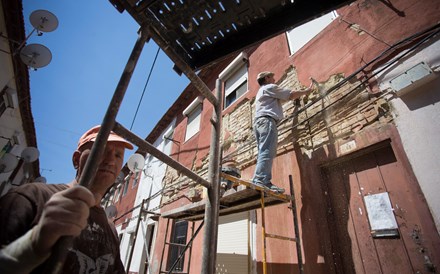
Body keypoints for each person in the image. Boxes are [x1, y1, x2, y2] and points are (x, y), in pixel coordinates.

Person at [0, 125, 133, 274]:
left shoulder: (111, 229)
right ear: (77, 159)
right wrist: (34, 243)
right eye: (102, 150)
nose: (111, 161)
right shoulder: (32, 196)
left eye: (118, 155)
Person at [252, 71, 314, 193]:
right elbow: (290, 95)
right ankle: (261, 180)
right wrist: (307, 91)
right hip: (267, 122)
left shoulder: (262, 92)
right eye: (272, 77)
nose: (274, 79)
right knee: (267, 151)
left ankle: (259, 179)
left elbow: (284, 99)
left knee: (263, 151)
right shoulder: (269, 87)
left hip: (259, 123)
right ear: (267, 78)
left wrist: (296, 97)